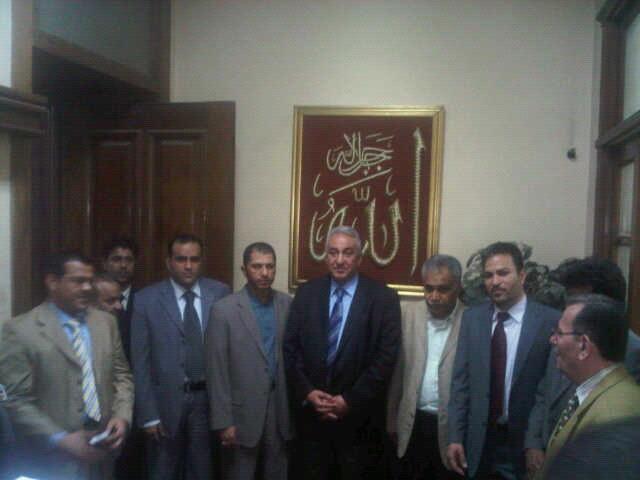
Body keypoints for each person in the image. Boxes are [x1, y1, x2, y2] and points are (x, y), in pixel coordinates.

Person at [0, 252, 133, 480]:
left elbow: (122, 376)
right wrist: (60, 439)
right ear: (53, 282)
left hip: (103, 451)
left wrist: (122, 416)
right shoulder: (21, 330)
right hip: (50, 459)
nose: (87, 288)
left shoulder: (106, 323)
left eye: (90, 281)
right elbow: (16, 399)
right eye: (78, 281)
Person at [283, 226, 401, 480]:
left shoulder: (384, 298)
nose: (339, 260)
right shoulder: (306, 294)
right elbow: (290, 350)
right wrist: (308, 392)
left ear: (359, 258)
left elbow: (386, 358)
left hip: (359, 425)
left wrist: (349, 400)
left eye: (347, 253)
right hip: (312, 422)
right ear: (325, 256)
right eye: (333, 252)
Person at [447, 242, 560, 480]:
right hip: (478, 440)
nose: (495, 281)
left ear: (522, 275)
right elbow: (460, 383)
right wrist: (455, 436)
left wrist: (535, 441)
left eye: (503, 273)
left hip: (523, 442)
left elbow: (547, 389)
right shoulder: (472, 319)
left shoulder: (548, 321)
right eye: (488, 275)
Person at [524, 256, 640, 478]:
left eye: (577, 299)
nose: (553, 340)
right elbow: (544, 394)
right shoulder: (566, 334)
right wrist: (534, 443)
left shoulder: (619, 398)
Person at [131, 233, 231, 480]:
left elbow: (229, 355)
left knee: (202, 470)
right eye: (181, 259)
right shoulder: (146, 300)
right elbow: (140, 363)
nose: (188, 266)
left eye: (194, 259)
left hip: (206, 400)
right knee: (163, 471)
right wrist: (148, 415)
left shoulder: (220, 293)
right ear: (169, 262)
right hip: (164, 404)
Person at [207, 242, 293, 480]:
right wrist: (223, 421)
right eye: (257, 267)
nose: (265, 273)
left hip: (279, 408)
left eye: (270, 266)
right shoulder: (223, 310)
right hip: (240, 412)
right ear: (244, 270)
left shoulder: (287, 304)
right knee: (239, 473)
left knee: (278, 471)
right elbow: (217, 370)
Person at [387, 254, 466, 480]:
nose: (434, 296)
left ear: (458, 287)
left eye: (443, 289)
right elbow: (397, 372)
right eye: (429, 288)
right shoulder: (407, 314)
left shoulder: (471, 320)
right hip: (411, 422)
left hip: (449, 427)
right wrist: (391, 418)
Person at [102, 236, 138, 363]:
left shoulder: (146, 301)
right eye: (117, 259)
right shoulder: (92, 300)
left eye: (129, 260)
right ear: (104, 264)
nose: (123, 265)